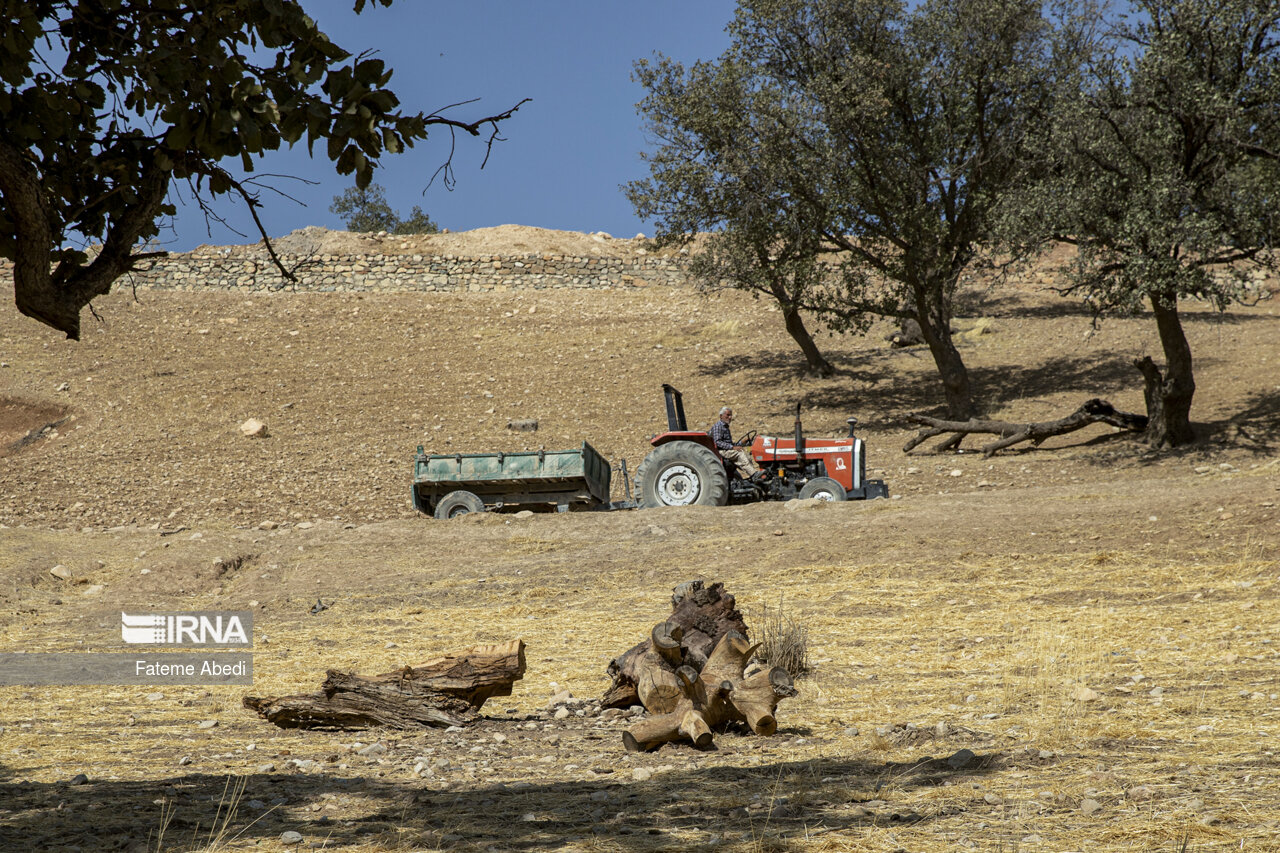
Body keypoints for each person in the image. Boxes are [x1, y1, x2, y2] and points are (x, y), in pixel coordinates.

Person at [710, 406, 765, 482]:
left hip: (727, 450)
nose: (730, 417)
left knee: (746, 455)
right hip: (721, 451)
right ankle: (754, 475)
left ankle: (753, 475)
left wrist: (742, 443)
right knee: (739, 453)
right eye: (728, 415)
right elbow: (717, 442)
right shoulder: (718, 426)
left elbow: (730, 444)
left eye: (731, 415)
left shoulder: (725, 427)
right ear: (721, 416)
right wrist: (732, 447)